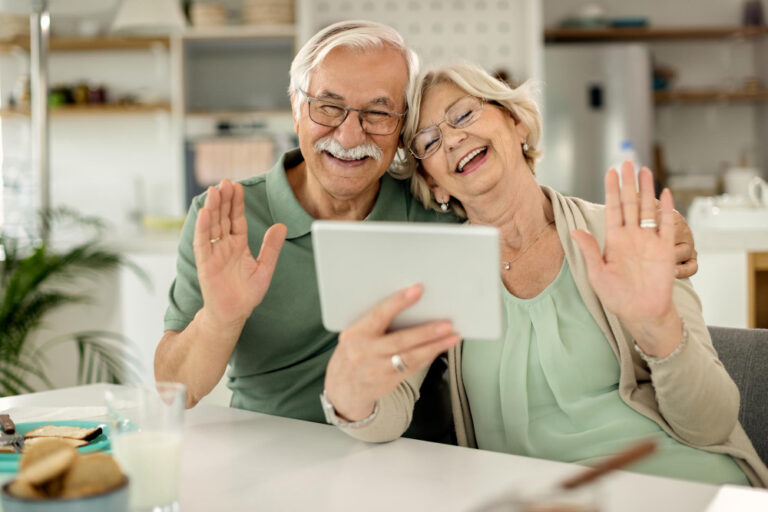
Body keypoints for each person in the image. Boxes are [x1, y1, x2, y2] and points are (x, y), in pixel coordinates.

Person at [154, 20, 697, 444]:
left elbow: (514, 199)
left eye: (378, 113)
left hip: (412, 458)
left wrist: (655, 228)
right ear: (297, 108)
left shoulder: (434, 212)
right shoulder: (226, 217)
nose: (349, 133)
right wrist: (220, 319)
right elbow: (175, 389)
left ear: (400, 133)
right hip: (271, 454)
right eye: (329, 106)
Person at [323, 62, 768, 487]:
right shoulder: (441, 270)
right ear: (434, 182)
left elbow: (711, 424)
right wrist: (346, 392)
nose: (454, 138)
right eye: (430, 142)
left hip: (678, 481)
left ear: (517, 122)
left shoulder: (624, 234)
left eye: (464, 113)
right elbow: (386, 415)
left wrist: (658, 328)